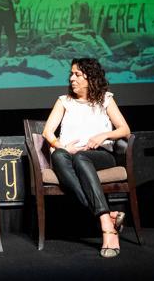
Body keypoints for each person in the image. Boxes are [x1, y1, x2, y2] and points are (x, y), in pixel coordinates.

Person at [42, 58, 130, 258]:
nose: (72, 78)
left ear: (90, 78)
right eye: (71, 74)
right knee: (59, 157)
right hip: (69, 153)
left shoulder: (106, 99)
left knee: (82, 157)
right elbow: (48, 132)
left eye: (77, 74)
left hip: (100, 155)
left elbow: (125, 129)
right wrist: (62, 146)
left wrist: (104, 135)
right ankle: (107, 218)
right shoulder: (64, 101)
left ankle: (107, 227)